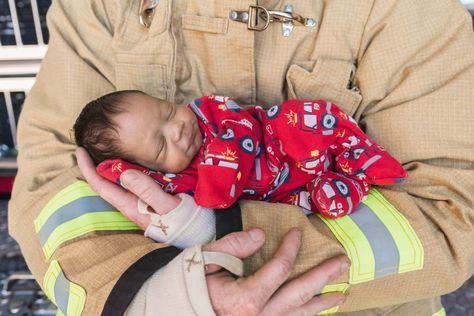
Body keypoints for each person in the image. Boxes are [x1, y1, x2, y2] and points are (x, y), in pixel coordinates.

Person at [8, 0, 474, 315]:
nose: (178, 127)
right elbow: (54, 182)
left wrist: (215, 242)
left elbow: (450, 216)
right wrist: (163, 295)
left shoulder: (408, 9)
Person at [74, 91, 407, 219]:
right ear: (148, 169)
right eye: (161, 145)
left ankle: (357, 155)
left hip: (277, 143)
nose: (176, 129)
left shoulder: (210, 112)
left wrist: (218, 169)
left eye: (165, 111)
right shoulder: (175, 185)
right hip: (285, 193)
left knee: (306, 118)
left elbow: (242, 129)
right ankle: (348, 183)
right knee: (315, 205)